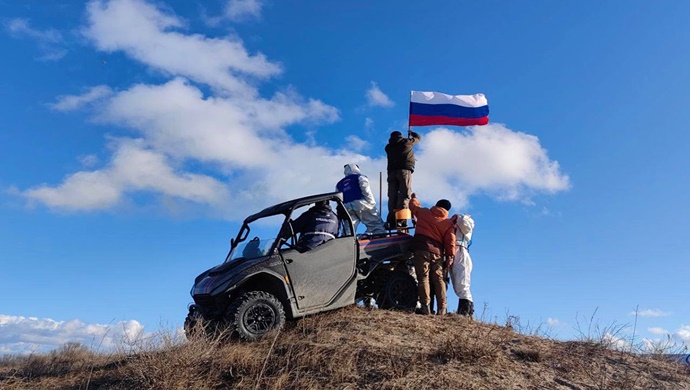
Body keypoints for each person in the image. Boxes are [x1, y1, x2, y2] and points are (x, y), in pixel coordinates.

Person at [408, 193, 456, 315]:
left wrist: (414, 197)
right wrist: (450, 256)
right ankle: (442, 309)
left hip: (421, 249)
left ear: (436, 205)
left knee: (423, 277)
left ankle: (425, 307)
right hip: (437, 253)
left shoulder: (424, 212)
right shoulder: (448, 223)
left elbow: (413, 206)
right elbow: (450, 241)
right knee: (439, 280)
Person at [336, 163, 386, 235]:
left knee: (349, 229)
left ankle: (346, 243)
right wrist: (371, 203)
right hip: (362, 204)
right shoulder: (360, 177)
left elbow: (338, 198)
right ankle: (380, 237)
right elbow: (366, 190)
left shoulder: (339, 184)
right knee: (375, 224)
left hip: (347, 208)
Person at [385, 130, 421, 227]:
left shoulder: (388, 147)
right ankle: (401, 218)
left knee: (392, 196)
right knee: (405, 193)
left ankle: (392, 219)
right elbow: (418, 138)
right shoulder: (406, 142)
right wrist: (412, 133)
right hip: (404, 170)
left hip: (391, 172)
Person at [450, 213, 476, 317]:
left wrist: (459, 216)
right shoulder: (458, 226)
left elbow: (465, 222)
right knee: (457, 284)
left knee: (462, 282)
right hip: (454, 251)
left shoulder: (467, 224)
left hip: (461, 252)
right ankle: (464, 311)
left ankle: (465, 311)